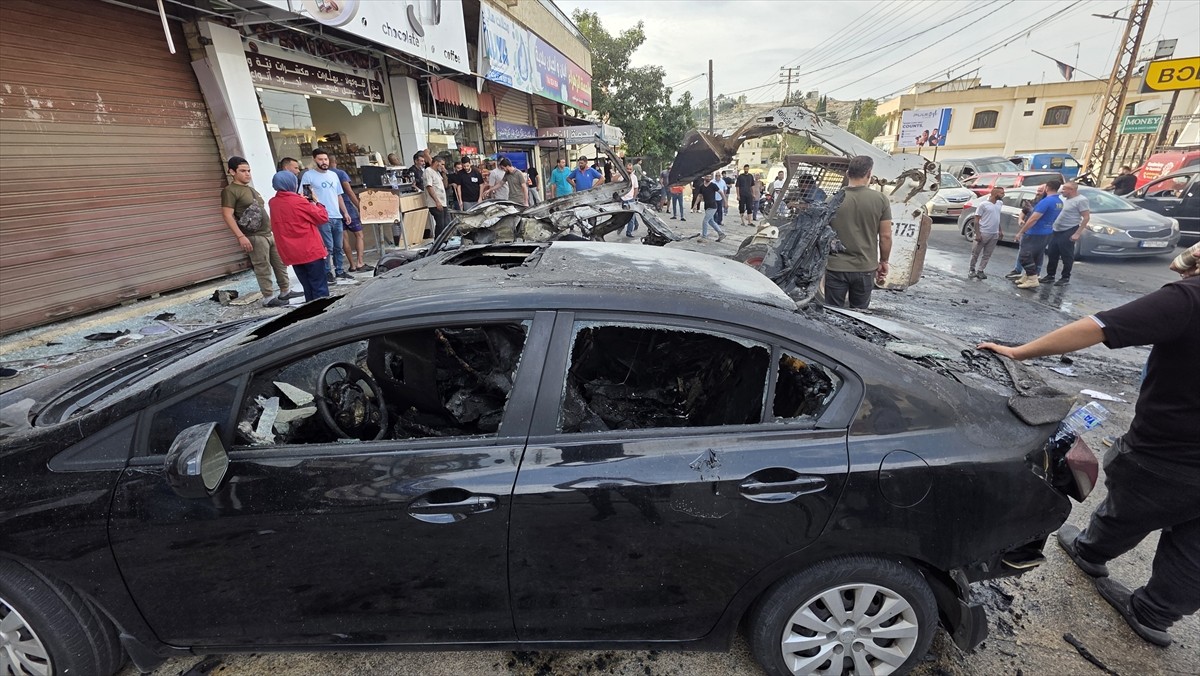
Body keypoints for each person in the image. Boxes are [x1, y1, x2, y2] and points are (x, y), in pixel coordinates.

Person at [977, 274, 1200, 648]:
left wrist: (1018, 352)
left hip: (1169, 453)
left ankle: (1091, 551)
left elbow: (1098, 327)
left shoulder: (1189, 299)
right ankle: (1154, 614)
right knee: (1195, 549)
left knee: (1131, 506)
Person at [220, 157, 294, 307]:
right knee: (262, 266)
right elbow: (227, 215)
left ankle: (285, 291)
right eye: (242, 171)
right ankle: (268, 297)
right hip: (254, 236)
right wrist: (241, 236)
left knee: (279, 263)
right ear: (232, 172)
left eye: (248, 171)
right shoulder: (230, 191)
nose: (247, 174)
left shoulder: (250, 189)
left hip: (267, 233)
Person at [825, 155, 892, 309]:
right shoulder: (880, 200)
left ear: (848, 174)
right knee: (859, 316)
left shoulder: (832, 201)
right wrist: (884, 261)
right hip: (865, 268)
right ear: (869, 174)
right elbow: (885, 236)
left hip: (835, 267)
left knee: (832, 313)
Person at [268, 170, 329, 302]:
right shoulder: (299, 202)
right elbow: (322, 217)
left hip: (292, 253)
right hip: (310, 250)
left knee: (307, 287)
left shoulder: (273, 203)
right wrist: (316, 202)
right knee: (319, 287)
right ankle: (323, 314)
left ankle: (311, 314)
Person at [300, 148, 352, 283]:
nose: (324, 162)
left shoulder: (333, 175)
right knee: (327, 247)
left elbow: (339, 195)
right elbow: (305, 196)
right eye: (320, 159)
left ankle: (340, 270)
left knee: (338, 246)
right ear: (314, 160)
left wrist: (345, 212)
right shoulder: (308, 176)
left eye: (326, 159)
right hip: (321, 216)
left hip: (336, 215)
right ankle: (328, 271)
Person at [1011, 179, 1063, 289]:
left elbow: (1033, 219)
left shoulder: (1046, 201)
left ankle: (1032, 278)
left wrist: (1021, 232)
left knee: (1024, 255)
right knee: (1035, 255)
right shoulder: (1059, 202)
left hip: (1035, 232)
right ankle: (1027, 276)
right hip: (1047, 232)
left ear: (1047, 188)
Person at [1041, 181, 1090, 286]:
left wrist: (1077, 233)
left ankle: (1065, 277)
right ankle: (1050, 275)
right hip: (1056, 229)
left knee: (1066, 255)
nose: (1062, 191)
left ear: (1072, 190)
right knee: (1052, 253)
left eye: (1064, 189)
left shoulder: (1081, 200)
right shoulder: (1062, 198)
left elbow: (1086, 217)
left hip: (1069, 229)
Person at [328, 156, 369, 274]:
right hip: (347, 206)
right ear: (336, 162)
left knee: (344, 238)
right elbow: (349, 192)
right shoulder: (340, 173)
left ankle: (351, 265)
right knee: (359, 235)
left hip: (335, 209)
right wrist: (359, 206)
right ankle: (360, 262)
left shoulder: (325, 175)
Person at [969, 186, 1005, 279]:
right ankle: (971, 269)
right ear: (996, 193)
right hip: (983, 232)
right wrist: (978, 233)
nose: (1003, 195)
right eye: (1001, 193)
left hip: (994, 233)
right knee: (975, 253)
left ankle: (980, 270)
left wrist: (1000, 230)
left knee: (987, 254)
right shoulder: (983, 205)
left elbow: (997, 218)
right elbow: (976, 220)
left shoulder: (999, 203)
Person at [700, 174, 725, 242]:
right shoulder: (702, 186)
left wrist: (725, 201)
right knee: (711, 221)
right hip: (707, 206)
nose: (708, 178)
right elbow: (699, 196)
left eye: (709, 177)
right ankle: (721, 233)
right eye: (707, 176)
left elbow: (721, 192)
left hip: (713, 206)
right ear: (704, 177)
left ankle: (704, 236)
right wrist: (694, 206)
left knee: (705, 221)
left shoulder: (713, 185)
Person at [621, 161, 640, 237]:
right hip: (622, 199)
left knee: (631, 217)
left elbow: (636, 188)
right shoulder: (621, 176)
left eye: (630, 169)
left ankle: (629, 232)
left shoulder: (634, 177)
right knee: (622, 216)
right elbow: (613, 180)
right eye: (627, 169)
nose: (629, 170)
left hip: (630, 199)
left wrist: (633, 198)